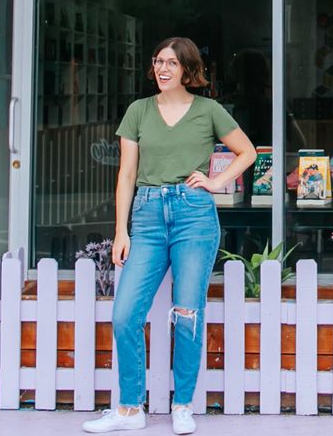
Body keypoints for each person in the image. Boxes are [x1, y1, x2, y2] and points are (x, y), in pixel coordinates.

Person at [84, 37, 256, 435]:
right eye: (158, 61)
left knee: (187, 313)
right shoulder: (139, 111)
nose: (162, 69)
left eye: (172, 64)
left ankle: (183, 406)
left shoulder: (208, 110)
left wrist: (215, 182)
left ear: (187, 70)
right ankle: (130, 409)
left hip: (192, 215)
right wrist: (120, 229)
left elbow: (246, 152)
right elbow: (126, 174)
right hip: (145, 216)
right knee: (125, 314)